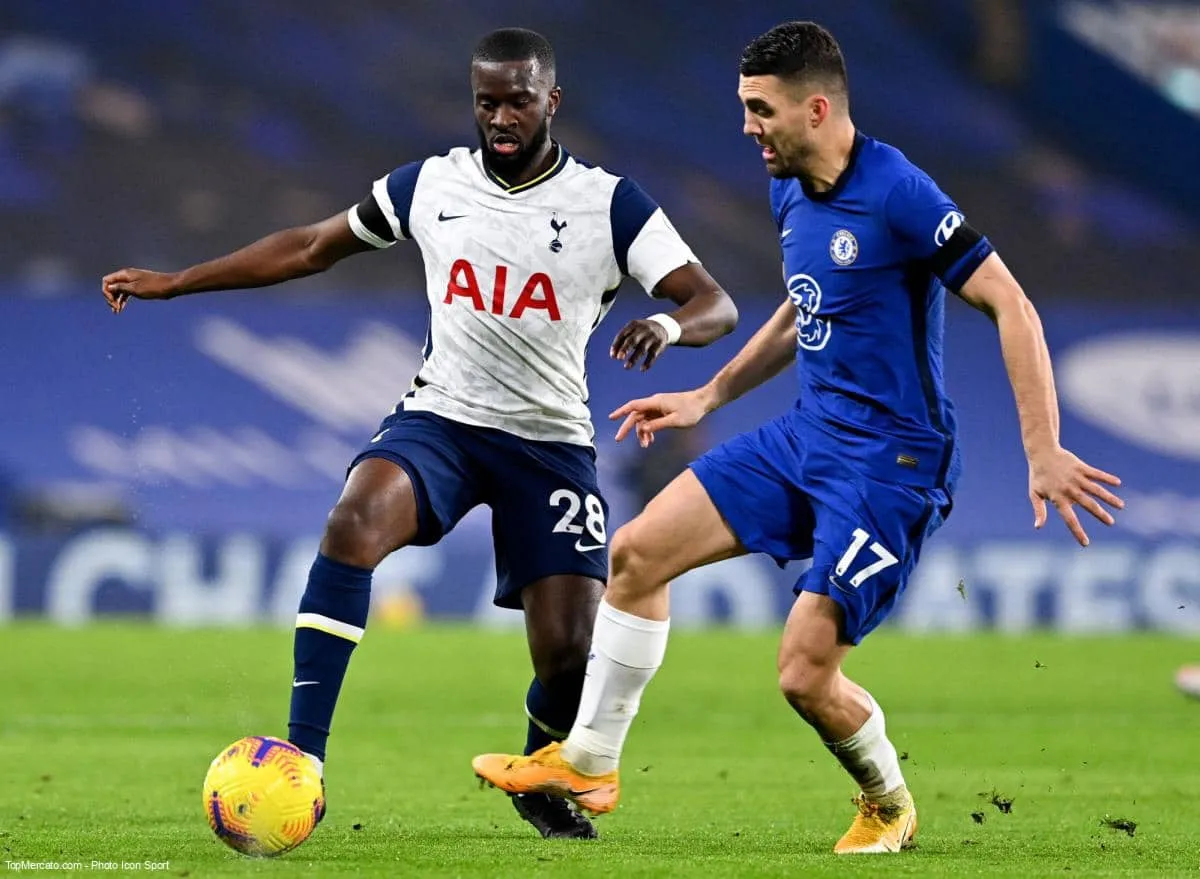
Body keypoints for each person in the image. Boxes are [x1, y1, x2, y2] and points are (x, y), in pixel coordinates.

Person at [472, 20, 1124, 854]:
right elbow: (803, 304)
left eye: (760, 109)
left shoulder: (899, 193)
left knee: (804, 673)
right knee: (635, 554)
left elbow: (1012, 303)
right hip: (804, 438)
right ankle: (591, 762)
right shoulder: (789, 186)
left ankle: (888, 801)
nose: (747, 126)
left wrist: (1043, 447)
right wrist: (709, 393)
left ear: (816, 108)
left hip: (890, 466)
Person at [101, 27, 738, 840]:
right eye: (486, 101)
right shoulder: (430, 184)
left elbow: (712, 302)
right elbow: (308, 248)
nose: (500, 116)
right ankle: (302, 760)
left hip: (548, 446)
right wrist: (177, 282)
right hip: (442, 419)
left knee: (571, 659)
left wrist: (668, 327)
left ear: (553, 100)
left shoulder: (609, 204)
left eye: (517, 100)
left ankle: (539, 769)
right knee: (352, 519)